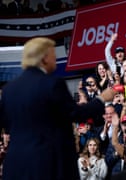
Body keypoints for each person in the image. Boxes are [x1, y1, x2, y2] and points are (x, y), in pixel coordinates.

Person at [0, 37, 118, 180]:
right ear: (44, 58)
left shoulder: (9, 90)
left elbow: (6, 125)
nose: (55, 59)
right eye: (53, 55)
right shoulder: (52, 84)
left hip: (16, 165)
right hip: (47, 165)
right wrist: (102, 99)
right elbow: (76, 114)